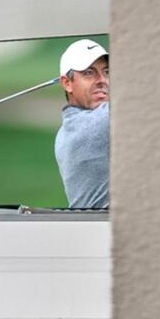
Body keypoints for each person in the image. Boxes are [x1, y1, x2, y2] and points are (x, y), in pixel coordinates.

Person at [54, 38, 111, 210]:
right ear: (67, 83)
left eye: (107, 72)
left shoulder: (66, 130)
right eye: (89, 73)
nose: (102, 80)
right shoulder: (93, 125)